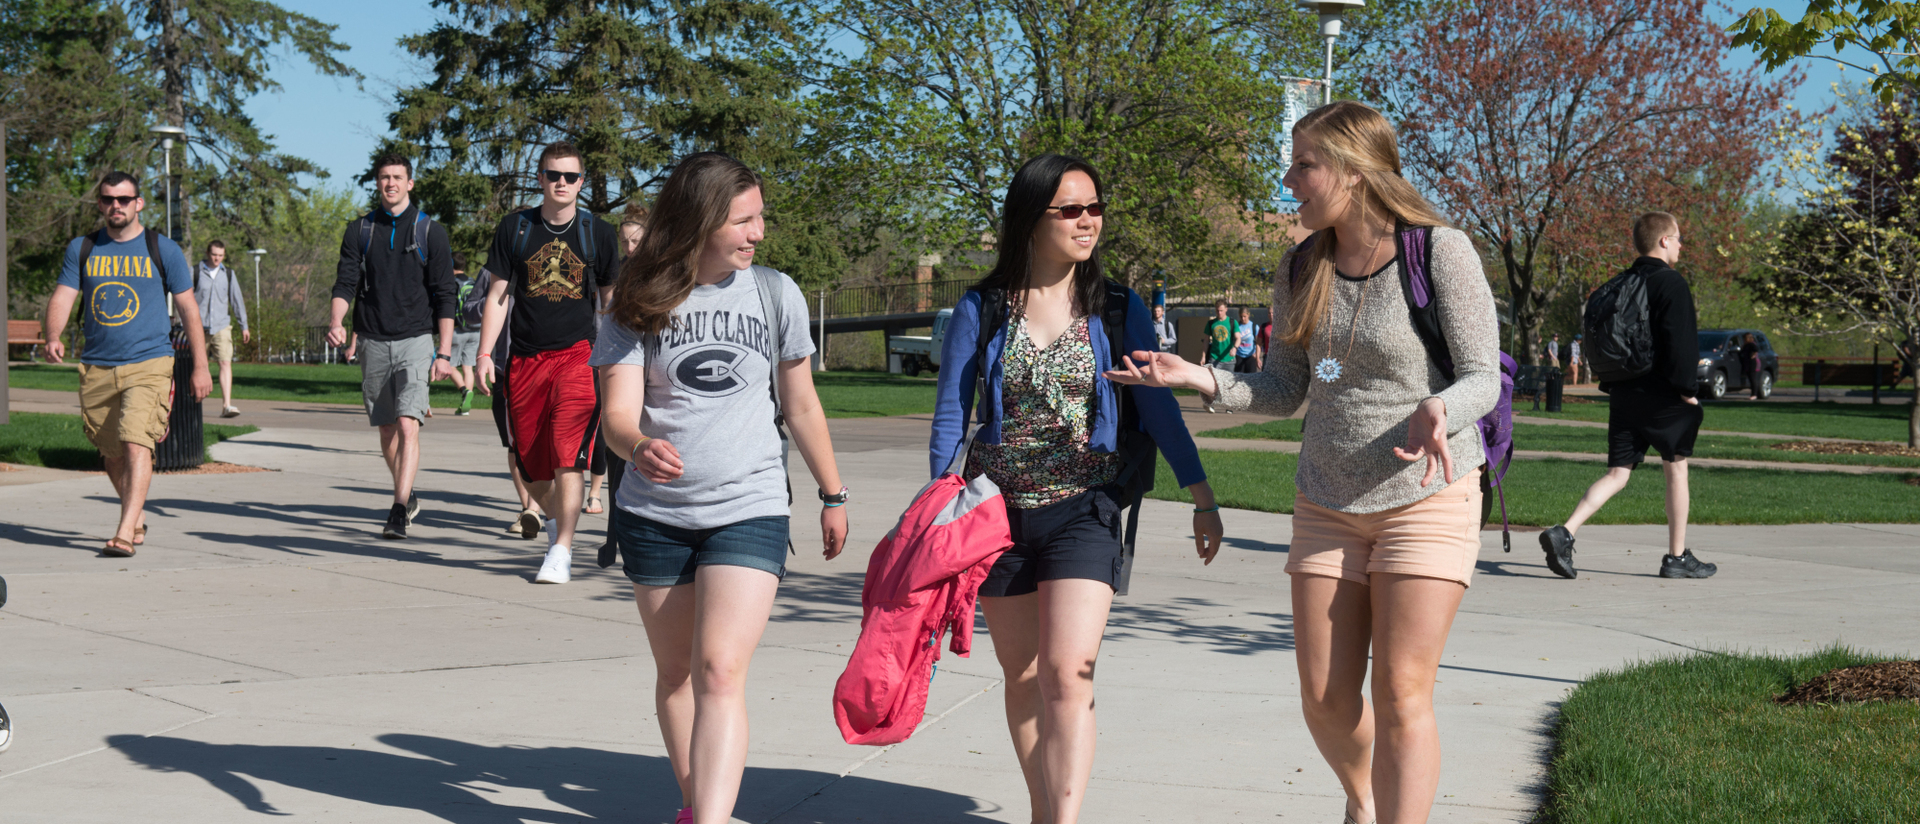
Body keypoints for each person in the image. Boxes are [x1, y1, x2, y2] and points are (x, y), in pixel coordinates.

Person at [1106, 101, 1501, 824]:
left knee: (1403, 692)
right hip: (1326, 501)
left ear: (1352, 170)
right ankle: (1368, 800)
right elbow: (1286, 387)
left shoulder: (1440, 250)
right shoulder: (1301, 264)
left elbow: (1484, 376)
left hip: (1427, 497)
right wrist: (1203, 381)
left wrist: (1443, 406)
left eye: (1304, 165)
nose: (1290, 180)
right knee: (1323, 699)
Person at [931, 154, 1223, 824]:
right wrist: (938, 500)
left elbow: (1158, 409)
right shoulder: (983, 306)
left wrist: (1201, 495)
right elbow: (952, 410)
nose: (1089, 221)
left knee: (1068, 674)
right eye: (1072, 209)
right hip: (995, 517)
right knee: (1024, 678)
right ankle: (1043, 807)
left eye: (1096, 207)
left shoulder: (1117, 308)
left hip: (1084, 511)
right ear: (1032, 219)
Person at [593, 152, 848, 824]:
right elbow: (616, 416)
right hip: (654, 515)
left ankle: (708, 818)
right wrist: (640, 446)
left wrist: (832, 493)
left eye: (760, 216)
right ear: (699, 223)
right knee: (677, 674)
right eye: (743, 219)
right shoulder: (636, 302)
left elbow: (801, 404)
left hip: (750, 505)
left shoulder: (774, 293)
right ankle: (696, 805)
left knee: (718, 670)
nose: (758, 232)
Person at [43, 171, 214, 556]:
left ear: (138, 203)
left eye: (123, 199)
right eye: (107, 200)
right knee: (112, 453)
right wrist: (53, 335)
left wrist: (201, 366)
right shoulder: (83, 248)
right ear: (100, 203)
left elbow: (188, 308)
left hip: (149, 361)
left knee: (137, 442)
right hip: (98, 365)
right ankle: (135, 514)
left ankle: (123, 532)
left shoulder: (162, 248)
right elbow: (63, 296)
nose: (115, 206)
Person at [1540, 212, 1716, 581]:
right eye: (1678, 237)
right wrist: (1688, 393)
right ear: (1664, 241)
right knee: (1676, 468)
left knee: (1618, 473)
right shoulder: (1671, 284)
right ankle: (1677, 557)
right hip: (1664, 396)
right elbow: (1681, 346)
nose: (1682, 245)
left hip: (1622, 392)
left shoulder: (1618, 284)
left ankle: (1565, 532)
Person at [478, 141, 619, 584]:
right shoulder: (515, 229)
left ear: (581, 183)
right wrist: (485, 352)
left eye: (571, 177)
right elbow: (499, 297)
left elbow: (610, 303)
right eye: (553, 175)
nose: (562, 183)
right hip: (524, 360)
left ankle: (560, 550)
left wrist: (616, 363)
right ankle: (559, 522)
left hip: (579, 356)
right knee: (531, 466)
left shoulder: (598, 233)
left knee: (566, 456)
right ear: (539, 178)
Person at [327, 153, 458, 540]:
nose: (390, 184)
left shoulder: (430, 231)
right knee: (387, 431)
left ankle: (398, 509)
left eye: (397, 177)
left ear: (410, 183)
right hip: (371, 339)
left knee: (408, 423)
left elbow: (445, 294)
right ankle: (408, 492)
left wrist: (445, 352)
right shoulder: (360, 230)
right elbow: (344, 283)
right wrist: (337, 321)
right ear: (377, 182)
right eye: (384, 177)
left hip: (416, 339)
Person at [588, 204, 649, 516]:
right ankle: (600, 494)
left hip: (646, 365)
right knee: (608, 426)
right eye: (624, 241)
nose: (629, 247)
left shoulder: (659, 272)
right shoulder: (618, 270)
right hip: (614, 357)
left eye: (636, 241)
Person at [194, 240, 250, 418]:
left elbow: (236, 301)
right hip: (198, 327)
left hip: (221, 326)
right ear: (207, 253)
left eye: (220, 255)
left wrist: (244, 326)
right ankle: (193, 406)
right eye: (214, 254)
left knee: (225, 362)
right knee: (197, 365)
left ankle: (227, 405)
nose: (217, 258)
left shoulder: (229, 274)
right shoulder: (195, 272)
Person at [449, 253, 481, 415]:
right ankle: (465, 408)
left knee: (449, 365)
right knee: (468, 367)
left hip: (456, 330)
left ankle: (464, 391)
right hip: (475, 329)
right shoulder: (472, 282)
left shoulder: (452, 283)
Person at [1203, 301, 1235, 412]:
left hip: (1229, 359)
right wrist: (1203, 356)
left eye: (1221, 310)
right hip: (1214, 357)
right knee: (1213, 382)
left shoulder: (1232, 322)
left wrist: (1235, 347)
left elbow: (1238, 337)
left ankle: (1229, 407)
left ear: (1226, 309)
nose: (1219, 312)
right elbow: (1206, 341)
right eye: (1217, 310)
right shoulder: (1211, 323)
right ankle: (1210, 403)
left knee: (1228, 384)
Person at [1235, 306, 1260, 373]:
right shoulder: (1236, 326)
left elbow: (1259, 343)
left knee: (1251, 379)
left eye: (1244, 316)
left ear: (1248, 315)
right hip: (1239, 356)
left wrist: (1257, 356)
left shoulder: (1254, 326)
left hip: (1250, 356)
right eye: (1241, 316)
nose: (1243, 319)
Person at [1739, 333, 1762, 400]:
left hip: (1751, 363)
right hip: (1747, 363)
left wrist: (1753, 355)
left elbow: (1756, 349)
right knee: (1750, 378)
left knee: (1753, 378)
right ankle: (1754, 394)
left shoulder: (1751, 344)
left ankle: (1754, 394)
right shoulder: (1746, 345)